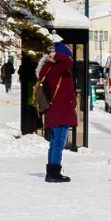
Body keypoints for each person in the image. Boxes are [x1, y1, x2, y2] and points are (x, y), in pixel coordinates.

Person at [36, 41, 78, 183]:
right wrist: (57, 54)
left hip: (58, 110)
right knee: (58, 142)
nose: (70, 60)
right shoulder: (56, 68)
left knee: (55, 142)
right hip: (60, 110)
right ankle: (54, 172)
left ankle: (52, 171)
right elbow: (67, 62)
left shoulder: (50, 68)